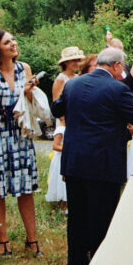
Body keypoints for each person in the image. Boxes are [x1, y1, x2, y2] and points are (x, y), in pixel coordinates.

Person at [51, 47, 133, 265]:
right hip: (104, 161)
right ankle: (100, 262)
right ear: (117, 66)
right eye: (122, 67)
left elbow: (56, 109)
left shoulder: (73, 84)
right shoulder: (117, 89)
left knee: (78, 213)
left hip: (75, 160)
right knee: (103, 213)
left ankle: (76, 260)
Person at [0, 30, 42, 257]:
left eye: (14, 39)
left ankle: (32, 239)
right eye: (7, 42)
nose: (14, 43)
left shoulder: (24, 68)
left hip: (19, 127)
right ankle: (3, 239)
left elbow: (29, 101)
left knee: (26, 186)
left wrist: (29, 92)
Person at [46, 46, 84, 208]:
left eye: (78, 60)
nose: (76, 63)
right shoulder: (61, 79)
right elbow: (56, 104)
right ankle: (62, 198)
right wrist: (65, 121)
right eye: (74, 60)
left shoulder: (77, 77)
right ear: (66, 62)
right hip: (65, 122)